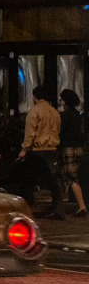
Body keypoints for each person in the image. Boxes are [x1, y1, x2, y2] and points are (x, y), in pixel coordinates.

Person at [19, 85, 64, 220]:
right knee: (54, 181)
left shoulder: (34, 111)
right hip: (53, 149)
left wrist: (23, 150)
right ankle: (58, 209)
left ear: (35, 96)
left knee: (28, 180)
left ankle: (27, 208)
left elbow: (30, 134)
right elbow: (58, 130)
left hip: (38, 151)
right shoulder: (54, 112)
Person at [59, 89, 87, 218]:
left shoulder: (65, 116)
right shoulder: (78, 115)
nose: (60, 101)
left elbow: (61, 132)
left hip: (68, 148)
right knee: (69, 177)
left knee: (70, 178)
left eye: (62, 99)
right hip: (78, 148)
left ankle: (81, 206)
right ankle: (58, 205)